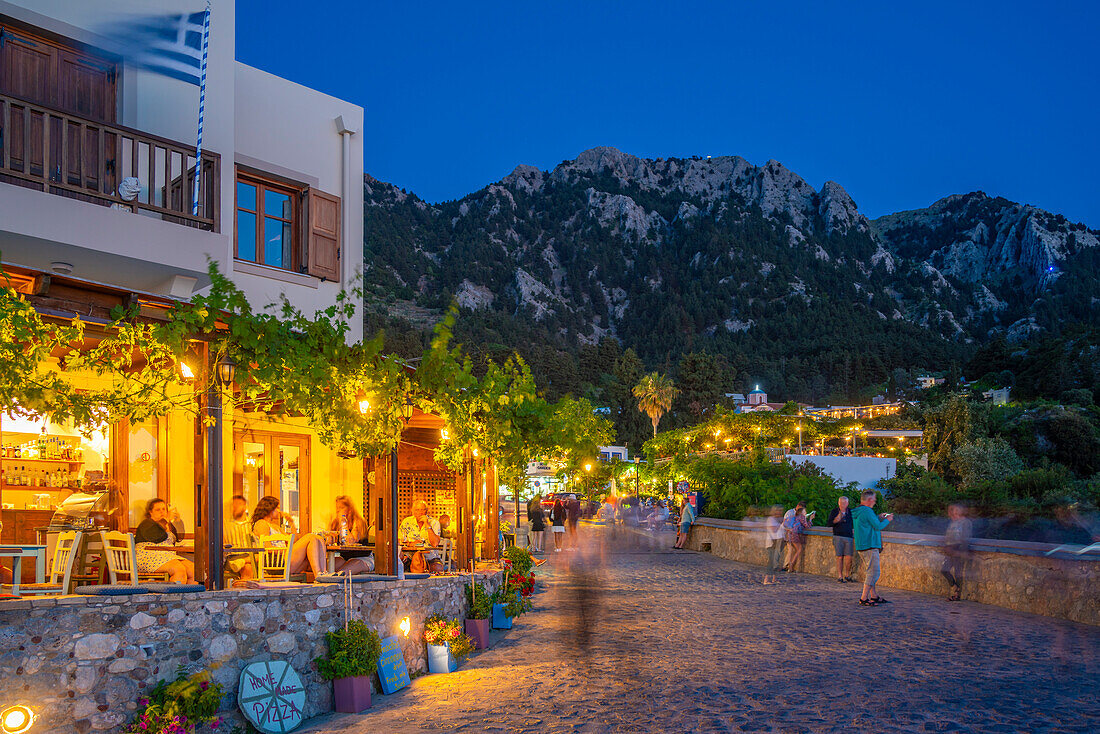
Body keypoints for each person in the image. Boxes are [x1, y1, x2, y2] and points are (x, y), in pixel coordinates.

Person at [251, 496, 326, 578]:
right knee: (311, 537)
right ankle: (318, 574)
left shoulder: (276, 527)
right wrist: (286, 552)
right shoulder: (261, 523)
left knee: (319, 538)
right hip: (275, 562)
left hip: (284, 559)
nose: (279, 511)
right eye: (277, 508)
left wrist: (291, 522)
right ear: (270, 509)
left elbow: (293, 541)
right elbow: (267, 547)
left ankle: (323, 573)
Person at [135, 498, 195, 584]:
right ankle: (175, 596)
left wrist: (177, 522)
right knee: (178, 569)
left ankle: (190, 597)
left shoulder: (167, 525)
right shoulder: (146, 524)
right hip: (148, 556)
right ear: (150, 512)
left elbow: (179, 538)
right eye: (158, 510)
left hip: (168, 556)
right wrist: (166, 519)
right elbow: (156, 535)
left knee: (192, 569)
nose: (162, 512)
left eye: (164, 509)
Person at [852, 489, 893, 606]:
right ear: (869, 500)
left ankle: (874, 596)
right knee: (874, 573)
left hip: (862, 545)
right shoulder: (867, 511)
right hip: (870, 545)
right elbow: (878, 526)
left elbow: (869, 523)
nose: (875, 502)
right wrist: (887, 520)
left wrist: (878, 516)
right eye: (874, 500)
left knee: (870, 571)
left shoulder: (860, 511)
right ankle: (864, 598)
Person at [328, 495, 375, 574]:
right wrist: (329, 524)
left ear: (349, 509)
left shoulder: (358, 521)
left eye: (341, 508)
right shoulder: (336, 522)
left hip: (363, 558)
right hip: (345, 558)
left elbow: (351, 542)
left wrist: (343, 523)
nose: (338, 511)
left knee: (343, 572)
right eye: (337, 508)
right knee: (329, 565)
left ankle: (338, 582)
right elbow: (330, 541)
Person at [399, 499, 443, 573]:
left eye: (423, 510)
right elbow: (400, 540)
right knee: (397, 566)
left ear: (426, 511)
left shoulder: (434, 522)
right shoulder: (407, 522)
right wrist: (410, 543)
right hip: (411, 557)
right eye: (417, 510)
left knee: (437, 567)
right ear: (413, 511)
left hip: (429, 557)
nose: (420, 512)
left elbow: (435, 543)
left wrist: (427, 525)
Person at [941, 503, 972, 601]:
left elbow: (965, 537)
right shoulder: (953, 522)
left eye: (956, 510)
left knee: (958, 572)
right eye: (954, 511)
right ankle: (955, 587)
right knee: (944, 570)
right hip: (950, 549)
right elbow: (949, 536)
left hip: (958, 548)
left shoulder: (966, 522)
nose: (954, 513)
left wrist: (962, 551)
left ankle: (957, 595)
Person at [828, 496, 855, 582]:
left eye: (845, 503)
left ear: (847, 503)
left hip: (849, 536)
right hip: (838, 536)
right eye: (842, 503)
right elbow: (829, 523)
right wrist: (836, 520)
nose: (843, 504)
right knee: (839, 557)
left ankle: (847, 575)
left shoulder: (850, 512)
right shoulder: (834, 511)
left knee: (849, 557)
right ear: (838, 503)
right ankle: (840, 576)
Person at [782, 504, 811, 571]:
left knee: (791, 550)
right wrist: (811, 519)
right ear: (801, 512)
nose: (806, 513)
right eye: (805, 511)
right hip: (794, 535)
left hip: (789, 534)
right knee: (799, 549)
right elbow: (807, 526)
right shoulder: (801, 517)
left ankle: (789, 565)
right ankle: (791, 565)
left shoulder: (795, 516)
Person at [763, 505, 785, 584]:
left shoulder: (778, 519)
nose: (779, 513)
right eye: (778, 511)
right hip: (772, 542)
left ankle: (774, 578)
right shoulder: (771, 519)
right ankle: (766, 579)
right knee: (771, 560)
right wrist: (781, 523)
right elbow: (774, 530)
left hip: (778, 542)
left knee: (776, 560)